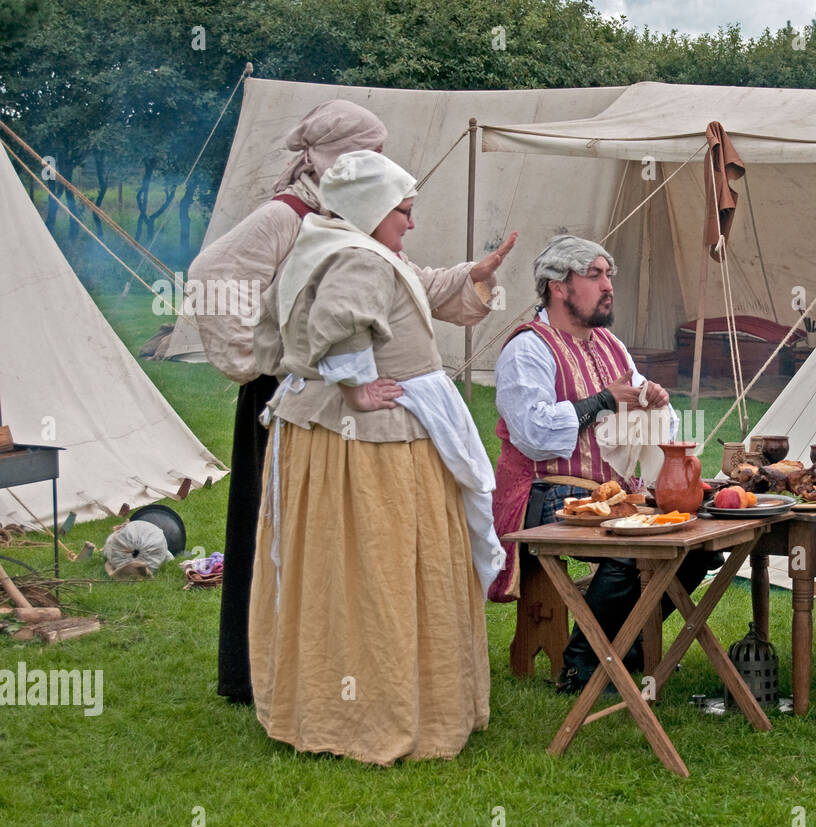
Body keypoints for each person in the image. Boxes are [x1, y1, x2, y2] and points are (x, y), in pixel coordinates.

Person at [247, 149, 516, 764]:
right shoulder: (352, 258)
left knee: (362, 571)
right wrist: (355, 385)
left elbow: (416, 287)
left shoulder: (344, 245)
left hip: (352, 434)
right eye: (404, 211)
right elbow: (340, 323)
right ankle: (367, 711)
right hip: (363, 445)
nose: (410, 223)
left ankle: (355, 700)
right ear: (370, 207)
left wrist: (476, 271)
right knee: (376, 570)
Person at [190, 100, 388, 706]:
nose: (378, 164)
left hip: (325, 397)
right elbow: (212, 271)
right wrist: (261, 360)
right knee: (270, 527)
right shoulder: (288, 213)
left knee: (316, 530)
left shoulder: (339, 214)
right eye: (369, 153)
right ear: (337, 156)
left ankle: (315, 666)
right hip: (280, 398)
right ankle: (253, 673)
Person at [489, 234, 720, 693]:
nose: (607, 284)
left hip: (614, 495)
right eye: (594, 275)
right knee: (627, 548)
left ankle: (622, 652)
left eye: (608, 274)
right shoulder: (528, 349)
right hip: (545, 492)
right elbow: (533, 435)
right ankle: (583, 663)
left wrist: (653, 401)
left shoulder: (611, 345)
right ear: (558, 286)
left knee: (695, 548)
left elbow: (655, 420)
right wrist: (599, 401)